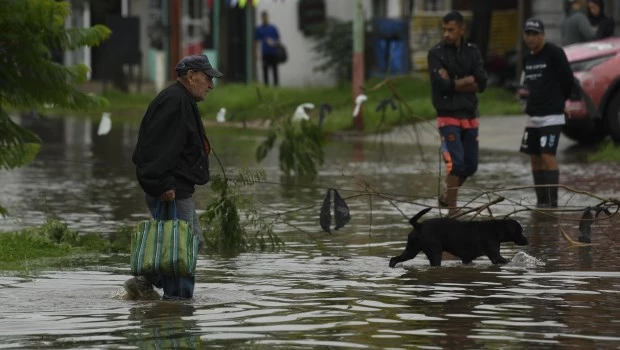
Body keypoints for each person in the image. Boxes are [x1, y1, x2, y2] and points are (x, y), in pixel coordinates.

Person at [124, 55, 223, 300]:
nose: (210, 85)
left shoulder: (181, 100)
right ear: (191, 76)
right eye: (207, 78)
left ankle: (146, 284)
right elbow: (154, 148)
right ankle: (177, 306)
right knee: (180, 249)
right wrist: (163, 184)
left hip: (179, 189)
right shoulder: (174, 101)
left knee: (191, 243)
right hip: (171, 190)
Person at [427, 11, 488, 215]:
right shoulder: (436, 53)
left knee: (471, 165)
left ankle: (447, 193)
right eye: (444, 30)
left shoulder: (472, 51)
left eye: (451, 30)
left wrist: (454, 82)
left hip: (469, 115)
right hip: (448, 115)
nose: (446, 34)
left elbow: (482, 82)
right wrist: (466, 81)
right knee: (456, 163)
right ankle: (452, 211)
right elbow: (440, 85)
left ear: (462, 29)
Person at [518, 19, 574, 208]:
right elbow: (525, 85)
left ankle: (552, 203)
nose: (531, 38)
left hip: (552, 115)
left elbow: (567, 80)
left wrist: (560, 102)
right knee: (534, 158)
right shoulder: (527, 59)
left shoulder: (554, 53)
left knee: (547, 155)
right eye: (528, 34)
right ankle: (541, 202)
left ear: (543, 35)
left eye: (535, 34)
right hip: (533, 116)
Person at [255, 10, 281, 86]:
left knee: (274, 70)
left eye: (266, 17)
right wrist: (256, 52)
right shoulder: (259, 29)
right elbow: (256, 41)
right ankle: (266, 85)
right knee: (265, 70)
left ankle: (276, 85)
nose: (265, 19)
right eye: (264, 18)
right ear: (262, 18)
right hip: (265, 52)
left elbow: (278, 39)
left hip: (273, 52)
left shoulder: (273, 28)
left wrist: (273, 42)